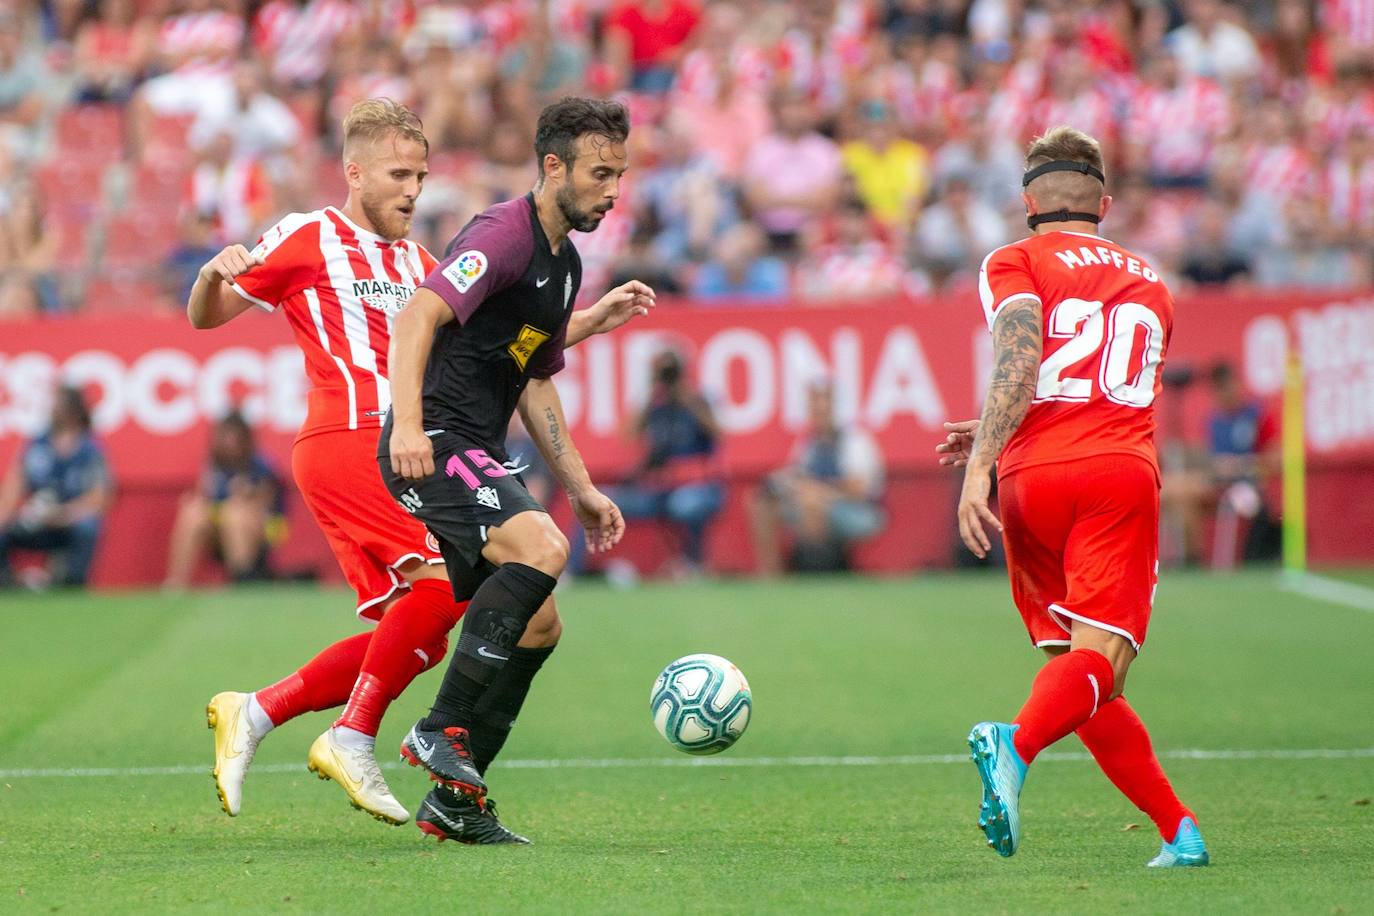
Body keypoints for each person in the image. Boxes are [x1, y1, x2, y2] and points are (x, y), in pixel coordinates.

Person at [191, 99, 648, 839]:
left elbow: (508, 348)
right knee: (450, 587)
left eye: (421, 175)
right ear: (354, 172)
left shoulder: (419, 261)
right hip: (359, 432)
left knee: (440, 625)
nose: (413, 189)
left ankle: (262, 710)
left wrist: (585, 324)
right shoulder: (311, 234)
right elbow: (208, 317)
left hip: (412, 439)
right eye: (398, 174)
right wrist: (214, 274)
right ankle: (358, 733)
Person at [937, 126, 1209, 868]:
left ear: (1029, 202)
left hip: (1032, 481)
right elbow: (1077, 380)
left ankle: (1178, 831)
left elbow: (1024, 361)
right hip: (1115, 472)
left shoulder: (1014, 258)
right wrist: (981, 454)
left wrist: (982, 462)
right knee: (1103, 661)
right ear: (1105, 204)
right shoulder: (1152, 281)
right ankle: (1014, 745)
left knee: (1077, 672)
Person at [382, 97, 645, 842]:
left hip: (475, 447)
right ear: (553, 165)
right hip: (434, 436)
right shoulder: (503, 233)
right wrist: (407, 424)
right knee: (543, 550)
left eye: (620, 175)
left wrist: (584, 490)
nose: (613, 190)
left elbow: (533, 377)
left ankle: (455, 805)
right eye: (600, 173)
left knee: (538, 625)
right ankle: (438, 728)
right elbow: (417, 318)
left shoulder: (564, 263)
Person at [606, 349, 723, 576]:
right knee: (601, 502)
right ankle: (573, 570)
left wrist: (688, 397)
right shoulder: (655, 406)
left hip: (699, 486)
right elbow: (627, 435)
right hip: (659, 488)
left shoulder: (698, 401)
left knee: (684, 504)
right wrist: (651, 392)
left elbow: (718, 434)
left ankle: (693, 564)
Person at [749, 381, 885, 575]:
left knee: (811, 500)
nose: (818, 416)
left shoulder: (855, 440)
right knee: (762, 502)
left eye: (823, 410)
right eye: (815, 410)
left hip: (857, 510)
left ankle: (816, 569)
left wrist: (821, 490)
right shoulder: (808, 443)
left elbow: (859, 489)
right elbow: (798, 474)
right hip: (810, 502)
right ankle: (770, 571)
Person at [0, 386, 111, 589]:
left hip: (70, 521)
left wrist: (62, 515)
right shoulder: (36, 445)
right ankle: (9, 583)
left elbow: (100, 499)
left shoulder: (91, 449)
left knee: (88, 528)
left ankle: (72, 583)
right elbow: (13, 486)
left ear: (74, 409)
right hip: (36, 520)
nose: (52, 409)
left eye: (58, 403)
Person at [163, 411, 286, 589]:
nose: (229, 443)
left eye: (234, 438)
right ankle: (175, 585)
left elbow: (267, 506)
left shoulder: (261, 465)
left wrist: (247, 494)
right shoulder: (214, 464)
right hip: (220, 530)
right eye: (225, 437)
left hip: (261, 530)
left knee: (235, 514)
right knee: (193, 512)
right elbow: (206, 496)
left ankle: (243, 582)